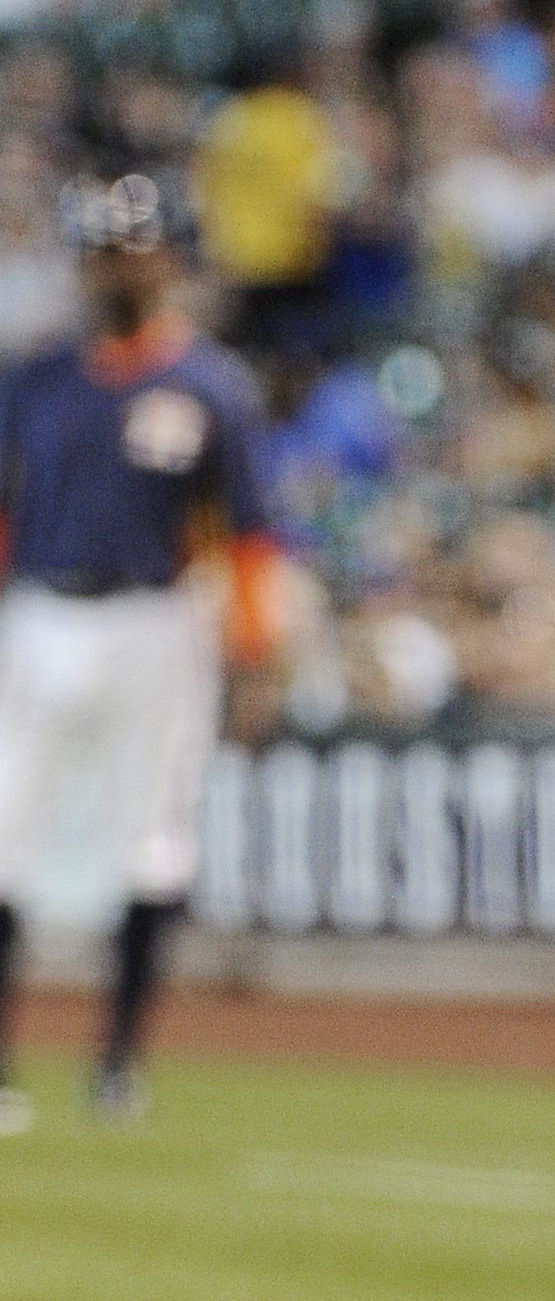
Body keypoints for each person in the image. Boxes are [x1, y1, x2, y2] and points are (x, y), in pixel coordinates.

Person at [0, 175, 279, 1132]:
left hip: (158, 621)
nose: (115, 265)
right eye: (101, 249)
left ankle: (116, 1065)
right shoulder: (35, 375)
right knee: (2, 838)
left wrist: (254, 648)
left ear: (166, 257)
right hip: (39, 612)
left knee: (151, 843)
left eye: (132, 247)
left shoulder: (209, 385)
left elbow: (250, 532)